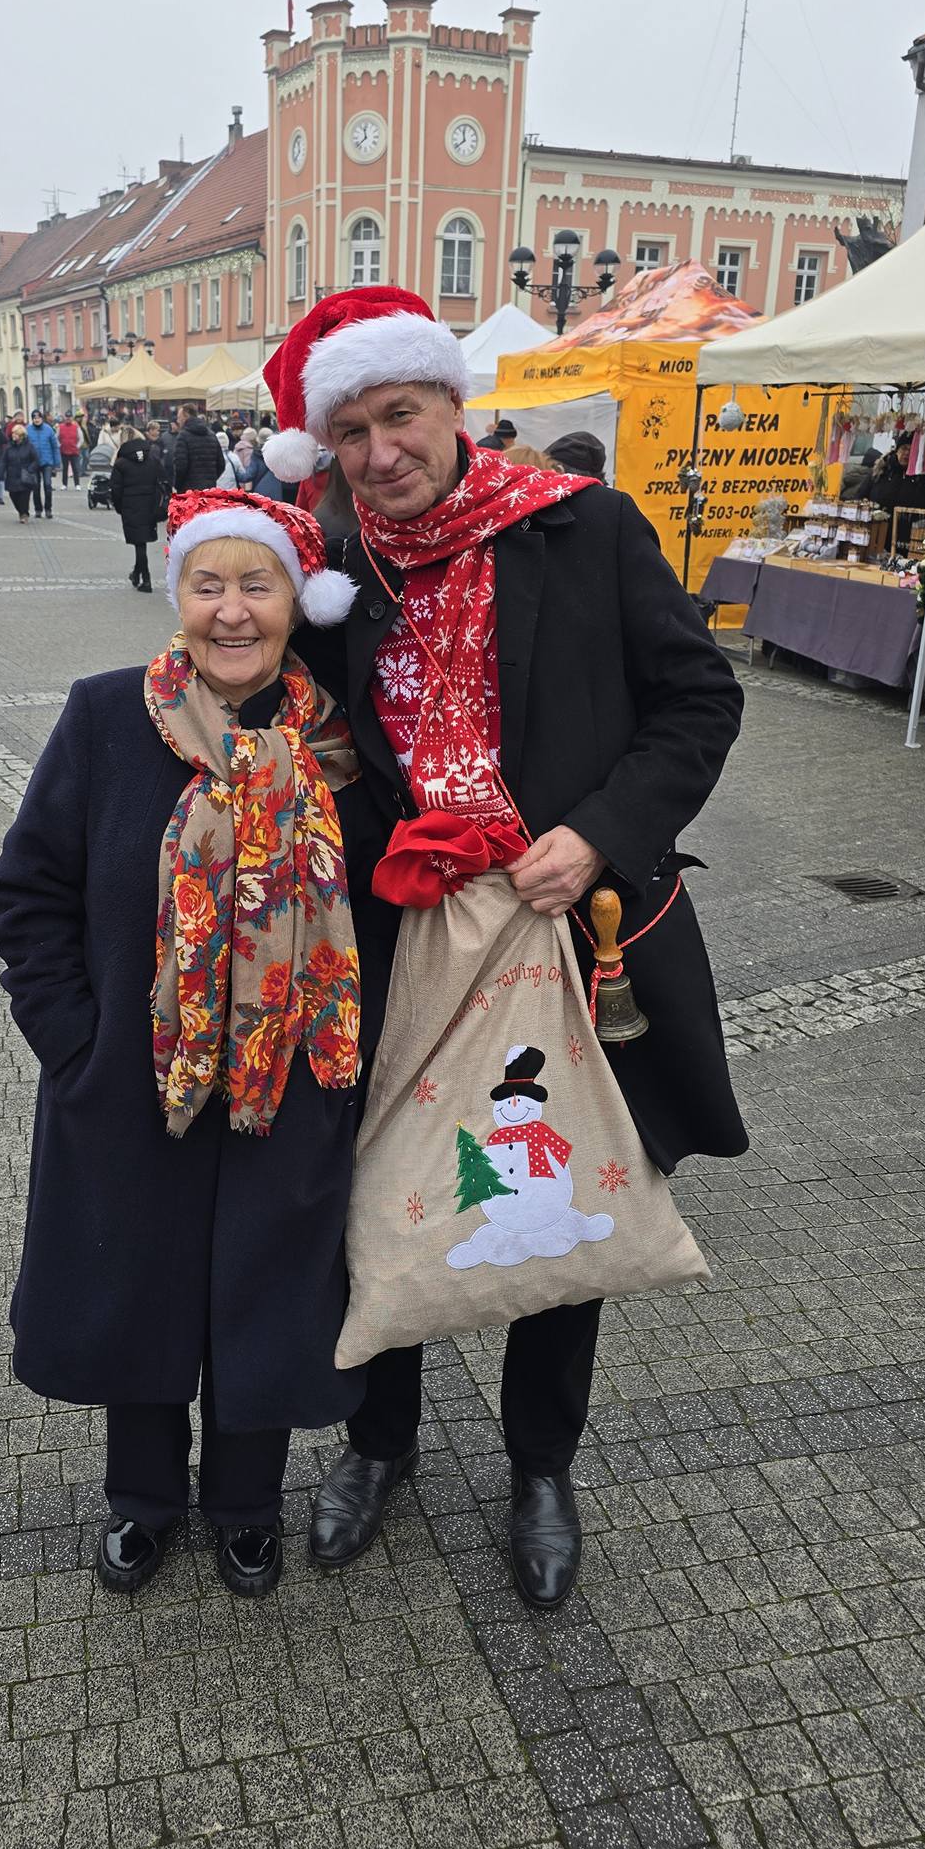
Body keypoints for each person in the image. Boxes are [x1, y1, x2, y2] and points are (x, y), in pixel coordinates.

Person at [261, 285, 747, 1609]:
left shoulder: (580, 529)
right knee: (385, 1179)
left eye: (398, 415)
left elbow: (700, 697)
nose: (378, 453)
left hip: (556, 925)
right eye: (350, 430)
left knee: (550, 1182)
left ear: (450, 407)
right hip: (389, 932)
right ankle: (380, 1442)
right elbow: (295, 724)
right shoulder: (329, 572)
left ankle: (542, 1463)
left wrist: (598, 834)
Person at [0, 488, 380, 1601]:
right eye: (209, 584)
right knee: (139, 1290)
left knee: (267, 1294)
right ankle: (144, 1499)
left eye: (256, 583)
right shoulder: (106, 715)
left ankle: (248, 1504)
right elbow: (28, 890)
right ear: (180, 600)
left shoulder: (343, 749)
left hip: (290, 1084)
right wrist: (75, 1041)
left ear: (296, 601)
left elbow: (392, 912)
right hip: (132, 1083)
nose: (233, 610)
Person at [110, 425, 164, 591]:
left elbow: (116, 489)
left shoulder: (121, 463)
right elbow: (162, 479)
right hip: (150, 505)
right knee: (141, 542)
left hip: (130, 506)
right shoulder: (152, 458)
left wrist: (119, 507)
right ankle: (136, 573)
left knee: (139, 542)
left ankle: (146, 579)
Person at [173, 406, 224, 491]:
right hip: (209, 489)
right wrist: (211, 480)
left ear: (186, 416)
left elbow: (180, 466)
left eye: (179, 418)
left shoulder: (183, 436)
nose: (177, 421)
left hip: (188, 491)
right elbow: (221, 464)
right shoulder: (211, 435)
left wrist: (178, 486)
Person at [2, 420, 41, 521]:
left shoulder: (29, 446)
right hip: (12, 475)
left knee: (24, 496)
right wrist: (1, 472)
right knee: (13, 495)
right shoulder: (9, 447)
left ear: (21, 435)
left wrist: (30, 469)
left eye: (16, 433)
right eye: (13, 433)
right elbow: (4, 461)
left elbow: (36, 460)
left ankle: (24, 514)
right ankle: (21, 512)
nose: (13, 435)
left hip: (25, 476)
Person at [28, 411, 59, 518]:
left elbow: (55, 447)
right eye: (34, 418)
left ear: (42, 418)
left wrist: (56, 463)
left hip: (47, 462)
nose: (36, 420)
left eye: (38, 417)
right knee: (35, 486)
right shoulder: (28, 430)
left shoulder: (48, 429)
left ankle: (48, 509)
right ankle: (38, 509)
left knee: (47, 485)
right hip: (33, 462)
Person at [57, 414, 82, 488]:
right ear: (65, 418)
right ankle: (64, 484)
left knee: (75, 468)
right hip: (64, 450)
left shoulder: (76, 427)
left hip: (74, 451)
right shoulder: (60, 427)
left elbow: (81, 438)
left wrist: (77, 446)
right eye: (67, 417)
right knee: (65, 468)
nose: (68, 418)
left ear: (72, 418)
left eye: (69, 417)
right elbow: (56, 437)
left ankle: (77, 484)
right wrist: (59, 445)